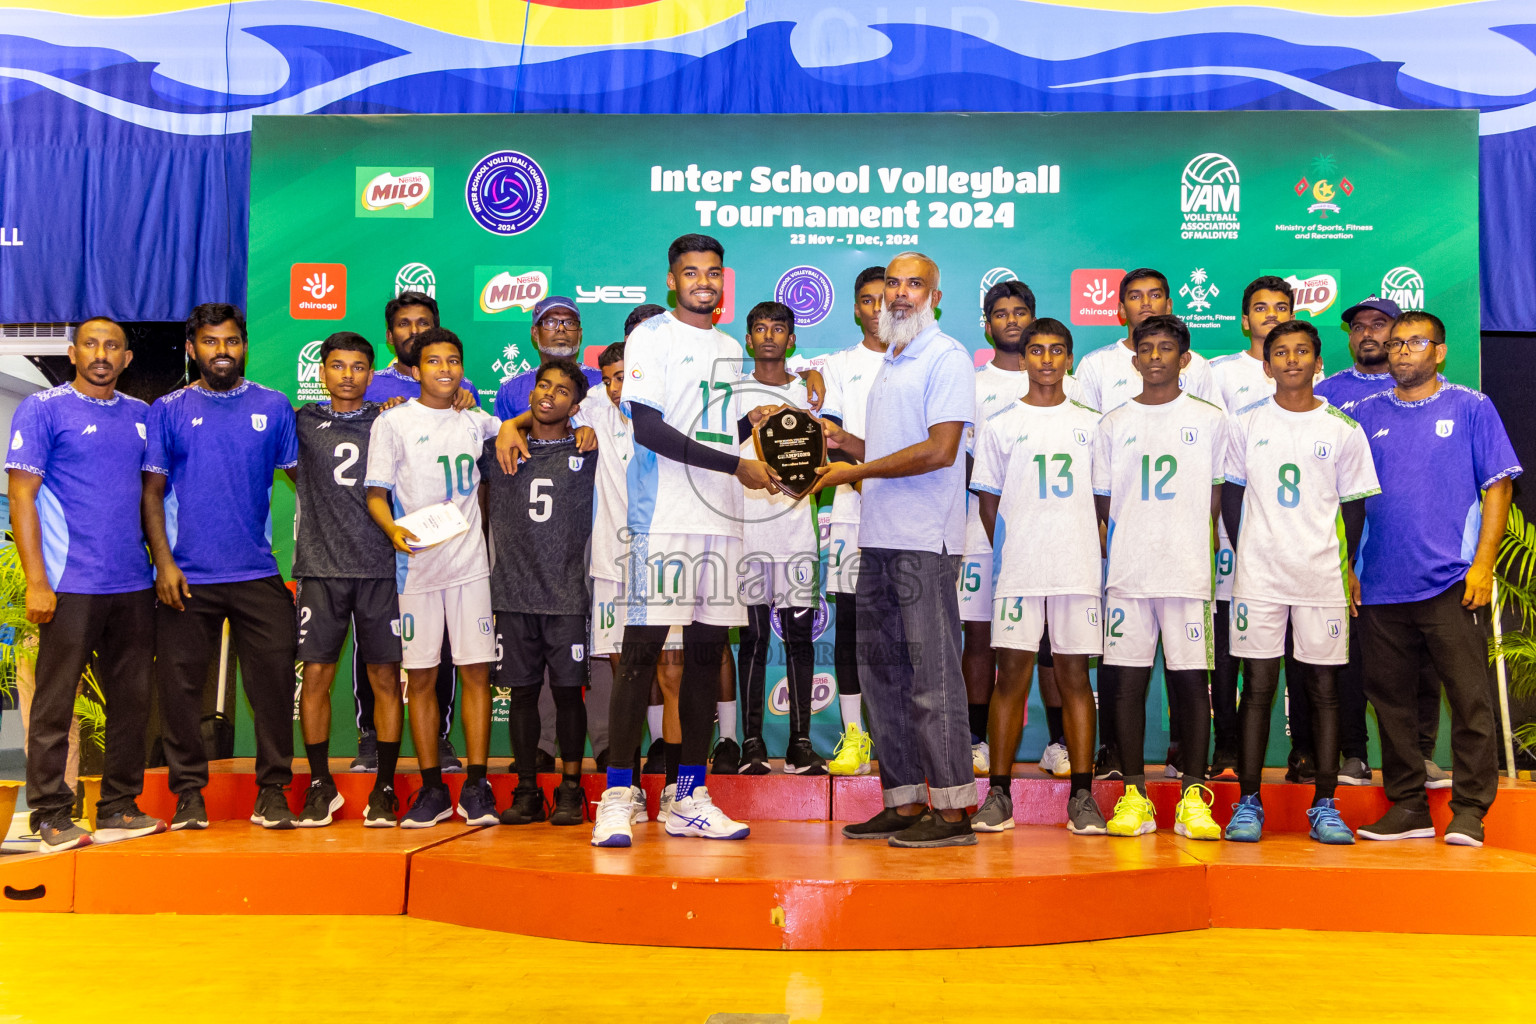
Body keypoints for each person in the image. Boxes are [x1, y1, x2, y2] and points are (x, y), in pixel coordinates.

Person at [588, 233, 774, 848]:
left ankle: (688, 795)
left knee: (702, 658)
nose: (703, 282)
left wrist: (755, 423)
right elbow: (649, 428)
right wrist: (733, 465)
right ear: (672, 280)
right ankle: (618, 795)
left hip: (721, 520)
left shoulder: (728, 347)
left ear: (724, 282)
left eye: (713, 273)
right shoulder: (652, 336)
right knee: (639, 655)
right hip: (662, 520)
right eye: (691, 272)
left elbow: (710, 426)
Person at [813, 251, 977, 849]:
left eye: (914, 284)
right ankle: (905, 802)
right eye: (892, 284)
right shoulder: (896, 358)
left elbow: (938, 451)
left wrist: (851, 469)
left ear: (935, 294)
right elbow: (888, 448)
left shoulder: (947, 356)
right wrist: (840, 442)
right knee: (883, 676)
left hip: (922, 545)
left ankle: (955, 812)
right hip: (877, 537)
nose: (901, 294)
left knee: (932, 680)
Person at [1352, 311, 1519, 847]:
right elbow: (1348, 502)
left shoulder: (1472, 406)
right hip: (1379, 584)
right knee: (1392, 704)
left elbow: (1498, 486)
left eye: (1415, 342)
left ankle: (1470, 810)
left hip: (1452, 580)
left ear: (1440, 351)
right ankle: (1407, 808)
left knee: (1469, 700)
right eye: (1395, 343)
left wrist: (1484, 563)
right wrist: (1348, 570)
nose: (1401, 351)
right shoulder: (1364, 414)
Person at [6, 316, 165, 852]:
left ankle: (118, 807)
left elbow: (152, 500)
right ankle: (50, 815)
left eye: (112, 346)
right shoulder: (43, 409)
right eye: (91, 344)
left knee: (131, 702)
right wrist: (36, 581)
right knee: (54, 704)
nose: (101, 354)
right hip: (69, 584)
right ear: (72, 353)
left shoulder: (143, 416)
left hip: (132, 586)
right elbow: (23, 496)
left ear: (126, 359)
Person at [1219, 320, 1378, 845]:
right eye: (1280, 352)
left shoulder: (1342, 428)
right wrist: (1252, 554)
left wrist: (1345, 565)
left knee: (1324, 690)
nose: (1291, 360)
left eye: (1301, 351)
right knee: (1258, 689)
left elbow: (1354, 508)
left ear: (1317, 361)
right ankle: (1248, 802)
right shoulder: (1244, 423)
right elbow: (1232, 499)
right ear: (1266, 365)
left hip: (1320, 578)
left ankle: (1326, 804)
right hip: (1260, 578)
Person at [143, 303, 300, 830]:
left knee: (274, 687)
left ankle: (273, 791)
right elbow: (152, 492)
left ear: (244, 346)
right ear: (193, 349)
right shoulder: (167, 408)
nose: (222, 352)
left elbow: (307, 484)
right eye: (210, 342)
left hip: (256, 573)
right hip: (186, 576)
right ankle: (188, 793)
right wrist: (163, 563)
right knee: (181, 691)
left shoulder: (274, 407)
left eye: (231, 341)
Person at [1075, 269, 1225, 781]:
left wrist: (1186, 542)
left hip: (1186, 573)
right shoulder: (1112, 422)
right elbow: (1100, 502)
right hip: (1129, 575)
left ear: (1185, 360)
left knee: (1189, 683)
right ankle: (1134, 789)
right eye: (1147, 350)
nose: (1156, 357)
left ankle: (1193, 792)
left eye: (1166, 349)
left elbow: (1217, 497)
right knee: (1126, 683)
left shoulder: (1210, 419)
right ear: (1134, 358)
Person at [968, 318, 1107, 836]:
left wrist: (1088, 550)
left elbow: (1102, 501)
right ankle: (998, 795)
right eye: (1036, 350)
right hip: (1020, 571)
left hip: (1075, 570)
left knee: (1074, 679)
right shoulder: (1002, 424)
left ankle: (1083, 797)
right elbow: (988, 502)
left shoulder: (1093, 423)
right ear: (1022, 358)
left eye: (1056, 350)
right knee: (1012, 679)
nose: (1046, 360)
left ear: (1069, 358)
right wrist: (1015, 549)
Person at [364, 327, 501, 828]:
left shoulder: (474, 419)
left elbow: (513, 428)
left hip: (470, 568)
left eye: (454, 360)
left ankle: (477, 784)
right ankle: (431, 789)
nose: (445, 369)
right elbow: (375, 493)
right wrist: (393, 530)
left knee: (476, 674)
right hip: (416, 568)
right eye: (434, 361)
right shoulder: (394, 422)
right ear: (415, 371)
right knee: (420, 679)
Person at [1317, 294, 1446, 788]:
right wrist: (1341, 552)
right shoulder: (1326, 392)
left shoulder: (1433, 393)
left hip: (1416, 549)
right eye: (1359, 326)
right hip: (1350, 549)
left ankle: (1422, 754)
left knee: (1422, 663)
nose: (1369, 334)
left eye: (1382, 326)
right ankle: (1354, 752)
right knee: (1350, 658)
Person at [359, 290, 475, 774]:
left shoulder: (461, 391)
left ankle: (441, 739)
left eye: (423, 322)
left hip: (443, 551)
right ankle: (370, 736)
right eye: (404, 324)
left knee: (442, 651)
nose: (414, 331)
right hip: (375, 543)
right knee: (379, 648)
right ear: (391, 335)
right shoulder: (370, 385)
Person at [291, 332, 404, 828]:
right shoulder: (301, 421)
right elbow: (298, 474)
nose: (348, 376)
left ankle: (384, 787)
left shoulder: (389, 420)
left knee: (384, 678)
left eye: (359, 367)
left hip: (380, 569)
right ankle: (320, 784)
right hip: (320, 569)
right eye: (338, 366)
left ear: (371, 371)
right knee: (315, 676)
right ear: (323, 373)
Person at [482, 360, 597, 826]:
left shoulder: (589, 450)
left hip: (567, 594)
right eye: (543, 386)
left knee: (569, 695)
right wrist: (511, 424)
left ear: (576, 405)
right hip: (512, 594)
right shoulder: (498, 447)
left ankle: (571, 790)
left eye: (563, 390)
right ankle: (527, 789)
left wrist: (586, 432)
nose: (550, 394)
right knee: (523, 696)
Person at [1206, 276, 1303, 779]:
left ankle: (1302, 749)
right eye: (1260, 308)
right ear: (1245, 319)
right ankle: (1226, 747)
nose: (1270, 314)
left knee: (1295, 643)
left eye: (1281, 307)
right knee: (1228, 646)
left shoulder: (1311, 369)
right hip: (1233, 530)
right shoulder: (1219, 372)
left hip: (1295, 537)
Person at [735, 301, 824, 776]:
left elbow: (830, 445)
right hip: (747, 534)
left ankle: (800, 744)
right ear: (748, 338)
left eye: (779, 329)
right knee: (751, 640)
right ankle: (751, 742)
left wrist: (809, 376)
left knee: (798, 639)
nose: (769, 335)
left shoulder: (809, 394)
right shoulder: (728, 391)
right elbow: (710, 446)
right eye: (760, 328)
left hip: (795, 533)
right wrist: (745, 420)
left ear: (792, 339)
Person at [960, 280, 1037, 776]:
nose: (1011, 320)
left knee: (1044, 642)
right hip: (977, 527)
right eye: (1001, 313)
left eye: (1020, 312)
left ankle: (1059, 745)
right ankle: (973, 739)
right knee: (980, 637)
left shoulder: (1058, 381)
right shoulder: (971, 384)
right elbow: (962, 458)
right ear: (987, 324)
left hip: (1045, 533)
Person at [816, 266, 886, 777]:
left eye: (889, 298)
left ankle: (900, 736)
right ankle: (855, 736)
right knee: (852, 630)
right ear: (856, 307)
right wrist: (876, 474)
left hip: (916, 518)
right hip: (851, 514)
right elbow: (831, 441)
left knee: (908, 634)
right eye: (868, 300)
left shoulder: (929, 359)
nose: (879, 309)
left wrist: (868, 466)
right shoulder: (839, 366)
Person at [492, 295, 604, 420]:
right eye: (550, 322)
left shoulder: (604, 382)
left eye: (570, 323)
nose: (561, 328)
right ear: (535, 333)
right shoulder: (511, 389)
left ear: (579, 333)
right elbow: (503, 437)